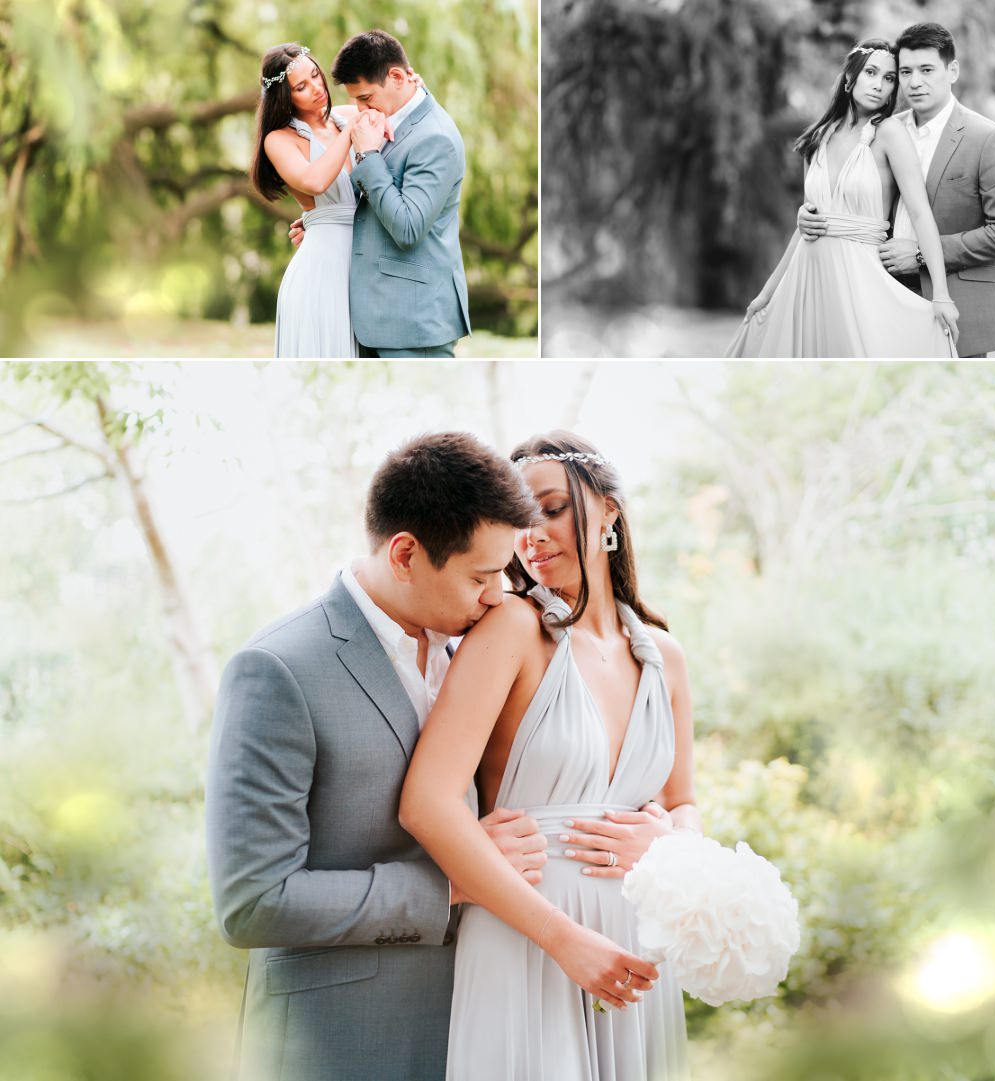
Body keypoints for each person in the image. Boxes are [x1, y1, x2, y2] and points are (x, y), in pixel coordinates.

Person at [205, 432, 547, 1081]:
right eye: (481, 575)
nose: (498, 595)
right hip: (335, 1045)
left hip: (474, 1031)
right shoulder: (277, 668)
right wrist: (449, 885)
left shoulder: (477, 653)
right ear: (405, 553)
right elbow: (251, 901)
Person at [400, 432, 700, 1081]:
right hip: (529, 938)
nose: (532, 534)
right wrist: (564, 939)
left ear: (610, 511)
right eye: (518, 520)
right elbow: (427, 800)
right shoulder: (511, 628)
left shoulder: (664, 656)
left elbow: (684, 804)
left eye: (552, 507)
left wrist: (670, 841)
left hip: (639, 943)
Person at [798, 22, 995, 358]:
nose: (915, 82)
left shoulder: (988, 138)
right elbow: (847, 190)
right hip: (879, 294)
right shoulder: (880, 130)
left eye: (926, 70)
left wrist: (920, 254)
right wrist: (809, 214)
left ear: (952, 70)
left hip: (956, 300)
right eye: (904, 72)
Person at [727, 38, 959, 358]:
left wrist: (942, 295)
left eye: (889, 78)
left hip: (859, 277)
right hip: (806, 276)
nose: (879, 85)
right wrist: (767, 293)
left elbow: (921, 213)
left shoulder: (889, 133)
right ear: (850, 78)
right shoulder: (817, 138)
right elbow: (807, 226)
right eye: (871, 73)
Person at [290, 30, 471, 358]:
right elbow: (383, 197)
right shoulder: (392, 113)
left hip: (414, 326)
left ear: (398, 77)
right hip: (377, 318)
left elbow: (408, 227)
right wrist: (331, 222)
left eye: (366, 98)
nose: (358, 109)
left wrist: (370, 156)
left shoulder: (436, 139)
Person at [251, 43, 370, 357]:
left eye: (316, 76)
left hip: (365, 263)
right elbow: (315, 181)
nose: (317, 88)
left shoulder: (347, 116)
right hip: (322, 271)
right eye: (301, 87)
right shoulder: (279, 141)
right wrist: (350, 135)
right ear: (285, 98)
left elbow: (396, 109)